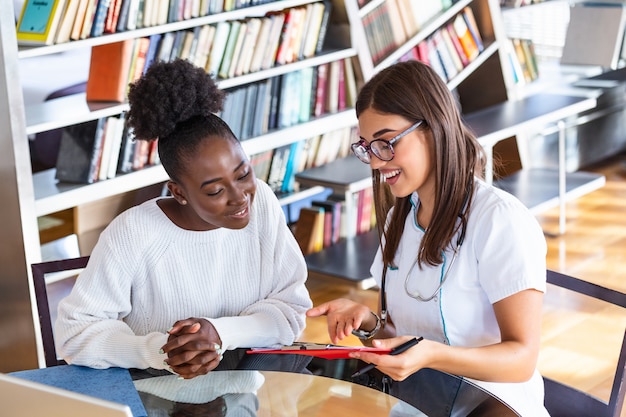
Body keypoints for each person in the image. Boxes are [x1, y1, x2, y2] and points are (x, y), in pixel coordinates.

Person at [306, 60, 549, 416]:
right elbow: (402, 337)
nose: (375, 162)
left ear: (434, 127)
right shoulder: (399, 218)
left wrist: (431, 355)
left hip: (494, 405)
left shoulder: (499, 220)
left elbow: (522, 360)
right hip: (422, 399)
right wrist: (369, 323)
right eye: (367, 147)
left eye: (385, 143)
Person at [55, 58, 312, 379]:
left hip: (252, 387)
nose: (240, 196)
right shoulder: (134, 232)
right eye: (215, 190)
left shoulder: (262, 203)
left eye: (243, 173)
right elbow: (75, 335)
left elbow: (291, 312)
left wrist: (218, 333)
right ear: (179, 192)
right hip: (158, 392)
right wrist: (162, 351)